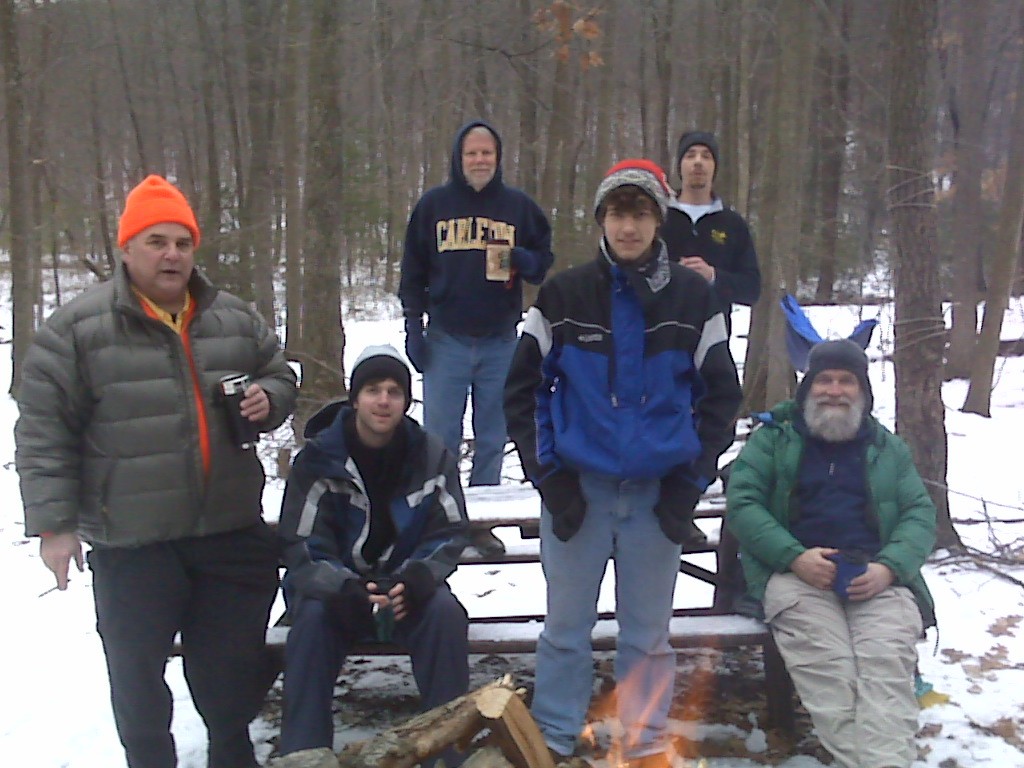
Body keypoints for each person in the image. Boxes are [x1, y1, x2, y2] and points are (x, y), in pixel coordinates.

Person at [15, 175, 298, 768]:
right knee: (138, 678)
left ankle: (230, 753)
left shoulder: (233, 319)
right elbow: (43, 432)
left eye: (182, 242)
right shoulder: (75, 331)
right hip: (132, 539)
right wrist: (54, 525)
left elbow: (279, 371)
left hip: (228, 531)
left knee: (230, 672)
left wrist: (270, 397)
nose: (171, 254)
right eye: (155, 241)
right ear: (126, 249)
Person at [504, 160, 742, 767]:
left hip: (655, 496)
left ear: (658, 219)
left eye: (639, 213)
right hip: (578, 493)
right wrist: (551, 479)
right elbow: (524, 390)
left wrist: (686, 487)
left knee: (646, 635)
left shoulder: (695, 298)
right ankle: (556, 737)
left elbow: (720, 398)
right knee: (564, 630)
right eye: (617, 212)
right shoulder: (564, 294)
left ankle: (643, 741)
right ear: (602, 220)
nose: (628, 226)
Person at [725, 339, 936, 768]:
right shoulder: (774, 441)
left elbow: (919, 513)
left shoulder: (887, 447)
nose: (834, 391)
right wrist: (794, 557)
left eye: (846, 381)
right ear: (808, 389)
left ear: (862, 392)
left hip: (876, 576)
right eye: (824, 380)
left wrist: (889, 568)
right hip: (794, 577)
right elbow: (743, 504)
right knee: (831, 671)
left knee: (885, 664)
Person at [276, 344, 470, 766]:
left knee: (445, 614)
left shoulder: (431, 455)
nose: (383, 400)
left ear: (406, 400)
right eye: (372, 389)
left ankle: (450, 751)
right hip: (338, 595)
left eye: (394, 391)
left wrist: (417, 578)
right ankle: (304, 753)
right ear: (354, 397)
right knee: (308, 619)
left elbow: (449, 530)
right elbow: (301, 542)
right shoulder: (319, 459)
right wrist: (343, 587)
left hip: (405, 591)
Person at [399, 119, 554, 488]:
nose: (480, 160)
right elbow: (412, 271)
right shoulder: (433, 206)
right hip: (444, 340)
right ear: (458, 158)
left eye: (487, 153)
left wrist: (524, 259)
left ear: (498, 158)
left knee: (493, 439)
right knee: (438, 440)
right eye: (472, 153)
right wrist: (412, 326)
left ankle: (482, 523)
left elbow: (541, 264)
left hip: (500, 342)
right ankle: (440, 514)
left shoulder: (518, 206)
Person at [659, 130, 761, 333]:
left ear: (715, 167)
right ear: (680, 165)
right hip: (661, 338)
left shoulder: (732, 224)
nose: (698, 162)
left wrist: (713, 276)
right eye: (690, 155)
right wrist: (672, 274)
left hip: (714, 343)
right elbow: (637, 274)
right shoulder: (658, 218)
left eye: (706, 156)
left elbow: (751, 289)